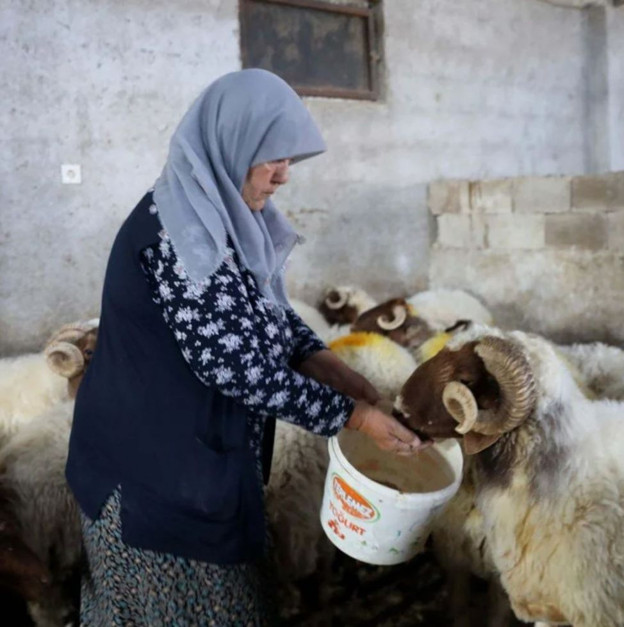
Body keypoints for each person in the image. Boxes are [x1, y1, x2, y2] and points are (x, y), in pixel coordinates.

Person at [65, 69, 427, 625]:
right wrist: (352, 416)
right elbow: (236, 368)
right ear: (229, 147)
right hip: (153, 483)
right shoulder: (178, 237)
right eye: (271, 157)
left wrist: (323, 360)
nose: (283, 176)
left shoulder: (224, 219)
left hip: (191, 466)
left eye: (290, 160)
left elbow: (262, 313)